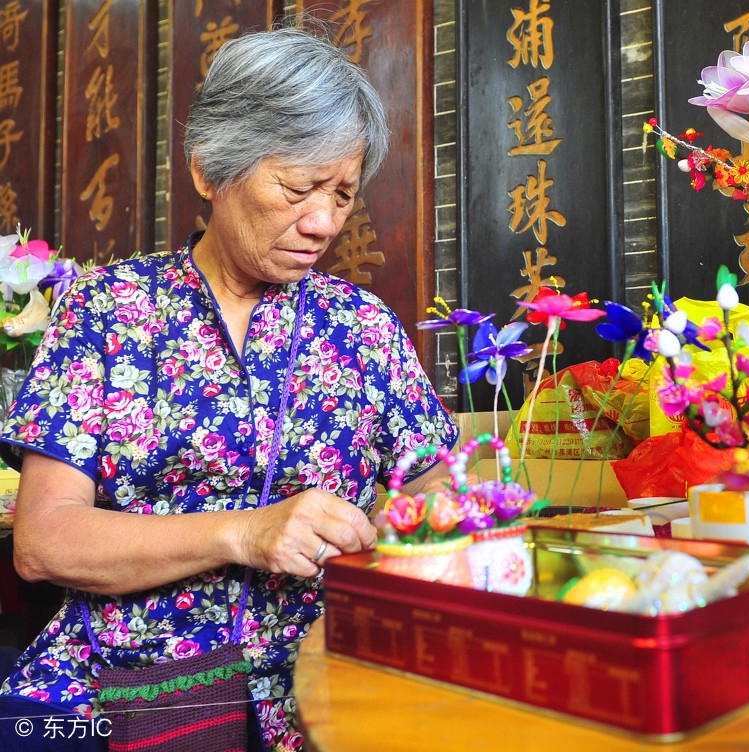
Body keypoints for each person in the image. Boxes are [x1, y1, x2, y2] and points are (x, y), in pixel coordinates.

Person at [0, 27, 457, 751]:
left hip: (321, 683)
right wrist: (246, 532)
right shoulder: (110, 309)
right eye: (300, 187)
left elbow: (435, 484)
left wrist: (431, 523)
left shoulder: (361, 325)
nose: (323, 223)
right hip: (125, 689)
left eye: (342, 194)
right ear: (212, 171)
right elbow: (43, 542)